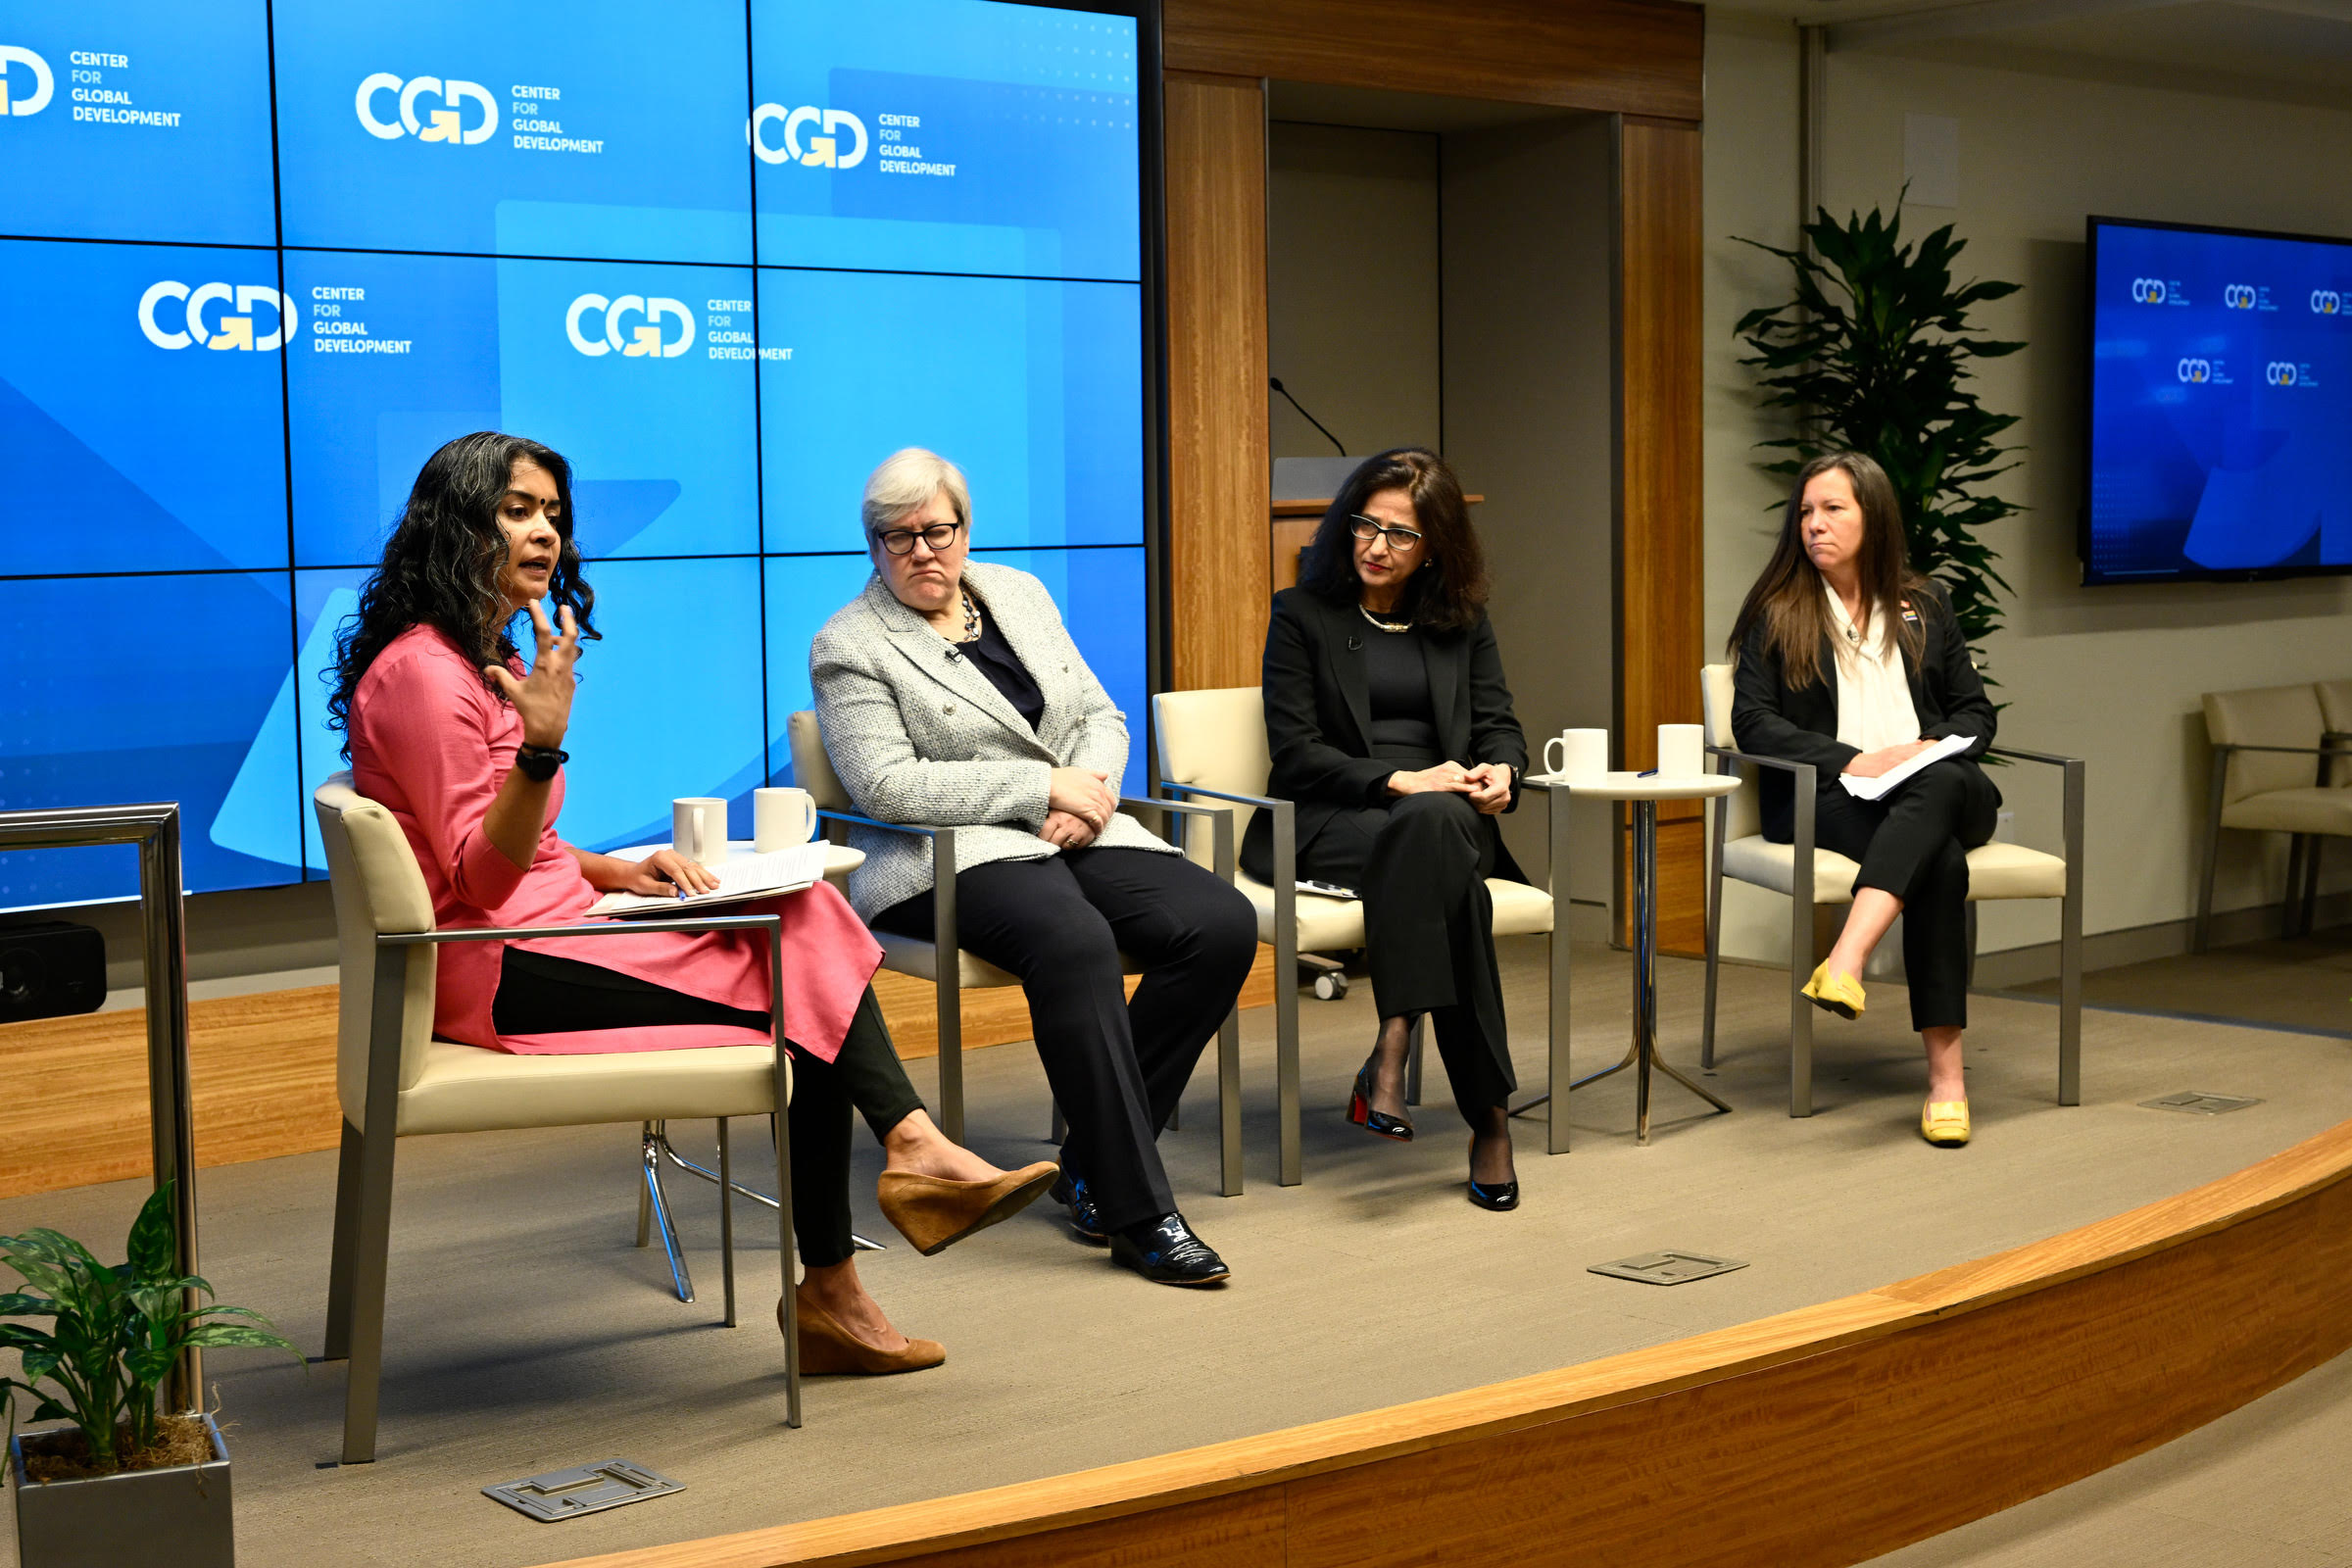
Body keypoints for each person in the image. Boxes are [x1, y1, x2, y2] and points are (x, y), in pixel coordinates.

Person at [330, 430, 1054, 1376]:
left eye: (554, 512)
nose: (545, 532)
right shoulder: (428, 675)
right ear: (452, 524)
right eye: (517, 511)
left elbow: (502, 849)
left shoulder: (473, 653)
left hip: (547, 932)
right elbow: (475, 879)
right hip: (503, 970)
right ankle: (879, 1213)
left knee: (804, 920)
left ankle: (891, 1193)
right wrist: (544, 748)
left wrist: (608, 871)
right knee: (807, 967)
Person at [809, 448, 1257, 1288]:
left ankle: (1090, 1159)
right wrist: (1035, 784)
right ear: (871, 546)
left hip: (1071, 828)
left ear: (965, 528)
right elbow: (885, 785)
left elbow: (1097, 712)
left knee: (1221, 924)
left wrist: (1085, 793)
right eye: (896, 537)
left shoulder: (1019, 593)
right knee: (1074, 941)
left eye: (936, 531)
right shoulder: (850, 643)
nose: (921, 552)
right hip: (946, 854)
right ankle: (1139, 1214)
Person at [1249, 447, 1530, 1210]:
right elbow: (1297, 752)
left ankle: (1392, 1047)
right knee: (1449, 876)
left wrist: (1505, 773)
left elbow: (1501, 724)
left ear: (1434, 545)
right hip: (1338, 815)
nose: (1377, 545)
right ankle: (1489, 1118)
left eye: (1401, 535)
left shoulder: (1462, 623)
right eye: (1366, 525)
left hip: (1445, 814)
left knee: (1435, 827)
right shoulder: (1301, 615)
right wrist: (1402, 779)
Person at [1727, 450, 2000, 1149]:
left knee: (1938, 784)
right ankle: (1948, 1084)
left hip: (1940, 784)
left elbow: (1976, 714)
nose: (1814, 525)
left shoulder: (1927, 603)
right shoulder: (1779, 612)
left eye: (1833, 509)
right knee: (1937, 863)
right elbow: (1753, 723)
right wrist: (1856, 759)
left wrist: (1923, 750)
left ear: (1873, 517)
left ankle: (1844, 960)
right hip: (1837, 795)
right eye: (1806, 512)